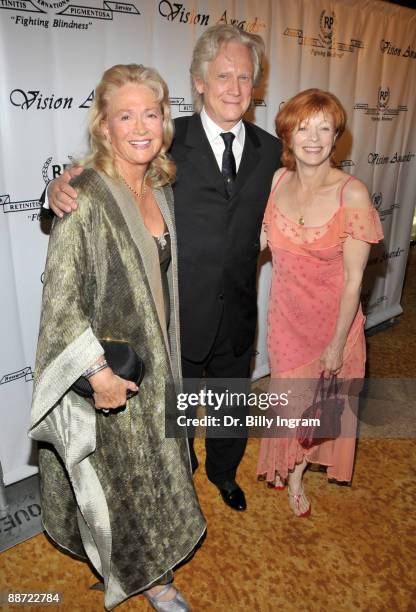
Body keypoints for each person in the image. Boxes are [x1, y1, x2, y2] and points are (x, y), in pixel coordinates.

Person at [43, 25, 282, 512]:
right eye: (222, 76)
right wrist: (54, 193)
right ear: (198, 81)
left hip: (237, 314)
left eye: (245, 77)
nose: (235, 88)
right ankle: (182, 477)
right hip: (175, 318)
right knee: (172, 419)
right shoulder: (166, 140)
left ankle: (223, 473)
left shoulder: (270, 149)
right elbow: (104, 176)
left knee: (229, 411)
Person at [30, 64, 206, 611]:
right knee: (125, 480)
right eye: (124, 114)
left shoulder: (159, 184)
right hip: (116, 372)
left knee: (151, 471)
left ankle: (144, 564)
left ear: (164, 123)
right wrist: (97, 374)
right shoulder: (82, 197)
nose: (139, 125)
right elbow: (59, 302)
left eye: (150, 113)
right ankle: (152, 579)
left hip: (161, 363)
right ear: (103, 127)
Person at [257, 89, 383, 517]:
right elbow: (259, 241)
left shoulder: (353, 195)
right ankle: (287, 460)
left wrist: (336, 342)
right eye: (302, 127)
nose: (313, 138)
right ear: (287, 135)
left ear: (336, 137)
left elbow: (353, 282)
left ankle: (295, 476)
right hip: (286, 320)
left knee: (319, 408)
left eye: (324, 128)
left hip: (332, 324)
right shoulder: (276, 181)